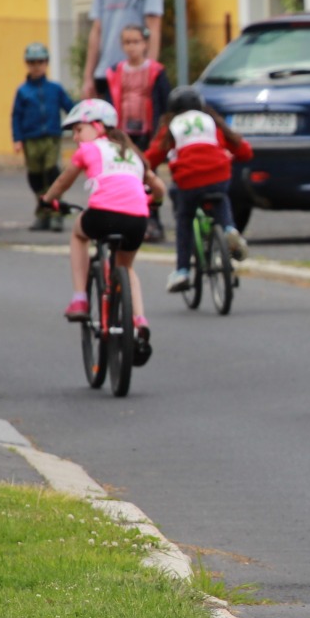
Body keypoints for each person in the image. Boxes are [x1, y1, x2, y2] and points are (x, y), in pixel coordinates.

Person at [39, 99, 166, 365]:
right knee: (126, 268)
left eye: (79, 129)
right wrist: (155, 200)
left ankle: (79, 299)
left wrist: (48, 199)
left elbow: (63, 180)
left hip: (103, 216)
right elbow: (158, 187)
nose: (75, 137)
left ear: (98, 127)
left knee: (78, 234)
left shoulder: (89, 149)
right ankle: (139, 320)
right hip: (137, 219)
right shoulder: (132, 153)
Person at [145, 87, 254, 294]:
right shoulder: (212, 121)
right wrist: (241, 155)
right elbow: (243, 150)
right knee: (221, 198)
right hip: (218, 174)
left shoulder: (172, 126)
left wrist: (139, 169)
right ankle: (229, 230)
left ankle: (182, 271)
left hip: (188, 180)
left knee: (184, 219)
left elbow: (153, 156)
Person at [107, 23, 172, 242]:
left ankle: (152, 220)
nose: (131, 47)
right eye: (127, 42)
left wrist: (162, 134)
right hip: (124, 134)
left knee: (148, 176)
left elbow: (165, 103)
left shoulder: (156, 72)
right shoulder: (116, 72)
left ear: (145, 44)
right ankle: (127, 219)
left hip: (148, 134)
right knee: (125, 176)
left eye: (136, 42)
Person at [11, 42, 75, 232]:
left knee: (52, 173)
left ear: (46, 63)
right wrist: (17, 138)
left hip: (51, 138)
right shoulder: (23, 91)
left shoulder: (55, 88)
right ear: (27, 64)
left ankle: (56, 213)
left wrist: (81, 123)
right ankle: (42, 213)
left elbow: (70, 107)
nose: (36, 66)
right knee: (36, 178)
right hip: (31, 139)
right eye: (32, 62)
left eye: (40, 62)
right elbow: (16, 116)